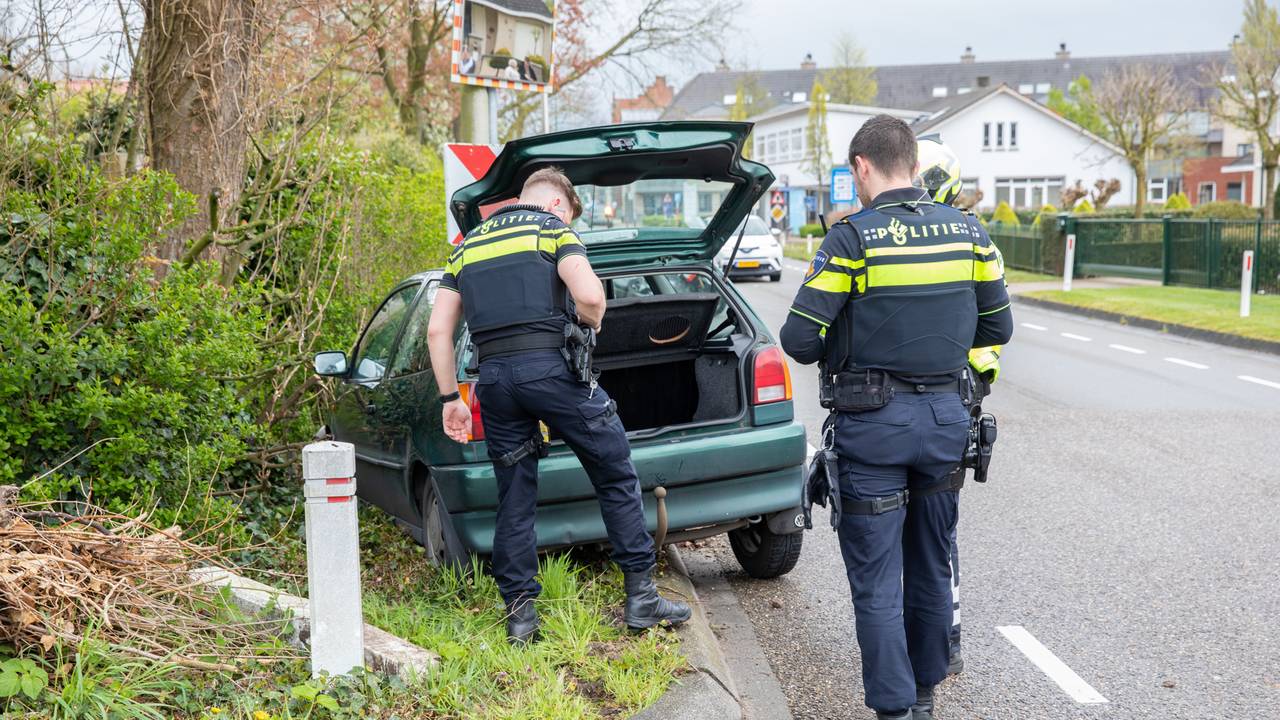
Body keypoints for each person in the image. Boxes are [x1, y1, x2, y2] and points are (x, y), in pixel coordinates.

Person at [780, 116, 1013, 720]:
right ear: (913, 160)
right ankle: (925, 695)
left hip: (873, 429)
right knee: (933, 564)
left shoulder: (852, 239)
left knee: (877, 580)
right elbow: (998, 327)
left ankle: (893, 710)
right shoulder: (970, 234)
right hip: (944, 424)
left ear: (863, 166)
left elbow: (800, 341)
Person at [425, 166, 691, 646]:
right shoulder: (551, 229)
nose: (571, 222)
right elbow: (590, 295)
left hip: (495, 382)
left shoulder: (467, 247)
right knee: (614, 471)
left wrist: (451, 400)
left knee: (516, 494)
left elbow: (438, 330)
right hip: (552, 373)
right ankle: (641, 599)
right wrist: (590, 321)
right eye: (570, 214)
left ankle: (522, 616)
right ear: (554, 204)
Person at [913, 134, 1005, 677]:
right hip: (953, 403)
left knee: (930, 531)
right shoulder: (971, 239)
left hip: (945, 397)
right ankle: (943, 639)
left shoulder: (957, 239)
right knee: (938, 531)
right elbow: (996, 328)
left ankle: (942, 638)